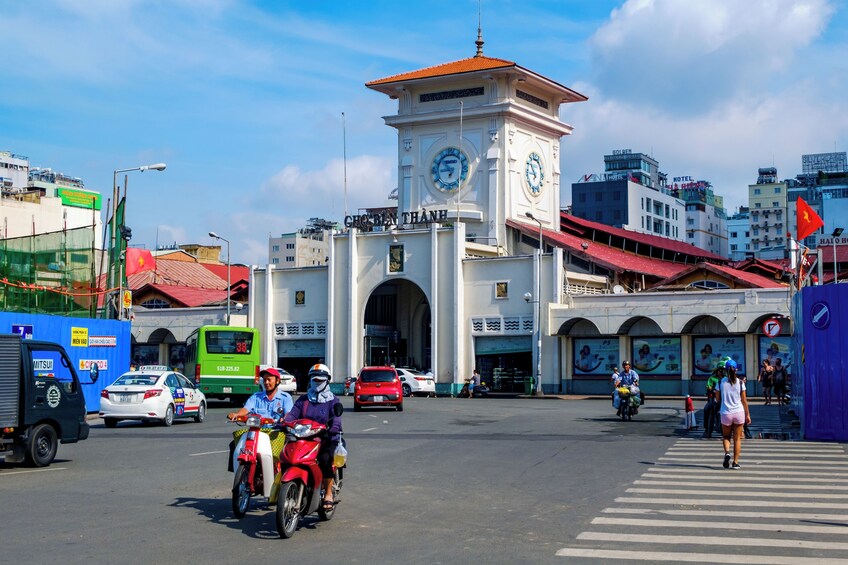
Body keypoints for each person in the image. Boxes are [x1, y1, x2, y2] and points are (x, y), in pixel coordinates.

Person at [283, 363, 343, 512]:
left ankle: (328, 493)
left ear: (327, 381)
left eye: (320, 380)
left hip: (325, 439)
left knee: (324, 460)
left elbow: (336, 419)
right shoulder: (302, 400)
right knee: (286, 456)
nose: (317, 383)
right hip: (303, 438)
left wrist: (333, 428)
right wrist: (284, 423)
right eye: (314, 380)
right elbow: (292, 416)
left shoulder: (333, 400)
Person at [719, 359, 751, 470]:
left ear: (725, 370)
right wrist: (748, 415)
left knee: (726, 436)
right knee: (737, 439)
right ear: (736, 370)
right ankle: (735, 462)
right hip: (739, 413)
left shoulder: (721, 382)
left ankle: (727, 452)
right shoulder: (741, 383)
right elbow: (744, 400)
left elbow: (718, 398)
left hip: (726, 413)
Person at [702, 365, 723, 438]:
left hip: (724, 399)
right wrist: (710, 389)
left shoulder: (726, 379)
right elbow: (709, 386)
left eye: (723, 370)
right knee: (707, 409)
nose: (721, 372)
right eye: (720, 370)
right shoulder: (712, 378)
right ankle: (707, 429)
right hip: (714, 398)